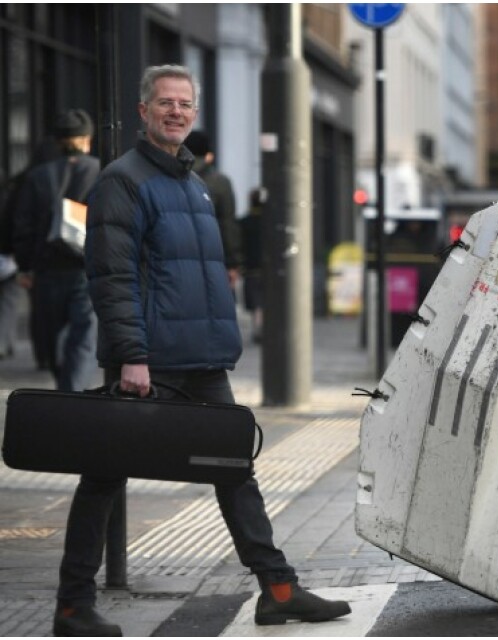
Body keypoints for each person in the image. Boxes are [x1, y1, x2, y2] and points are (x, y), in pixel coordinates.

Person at [54, 65, 350, 637]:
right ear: (144, 111)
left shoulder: (193, 184)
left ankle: (278, 588)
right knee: (103, 479)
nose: (175, 112)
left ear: (194, 113)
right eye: (164, 103)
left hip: (201, 361)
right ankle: (72, 606)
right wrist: (131, 356)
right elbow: (112, 277)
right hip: (150, 361)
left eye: (184, 104)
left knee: (236, 471)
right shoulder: (123, 180)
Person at [9, 109, 100, 391]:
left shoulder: (38, 176)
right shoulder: (100, 171)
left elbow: (22, 225)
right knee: (84, 334)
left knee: (53, 334)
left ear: (58, 141)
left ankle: (66, 387)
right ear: (87, 139)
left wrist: (25, 267)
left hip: (47, 269)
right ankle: (73, 392)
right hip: (86, 267)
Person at [184, 129, 243, 288]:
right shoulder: (220, 182)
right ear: (209, 155)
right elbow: (227, 224)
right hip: (211, 259)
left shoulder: (169, 176)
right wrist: (232, 263)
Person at [239, 187, 266, 342]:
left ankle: (257, 327)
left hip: (250, 268)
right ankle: (262, 327)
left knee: (255, 302)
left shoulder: (245, 222)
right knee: (264, 300)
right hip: (266, 267)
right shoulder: (269, 223)